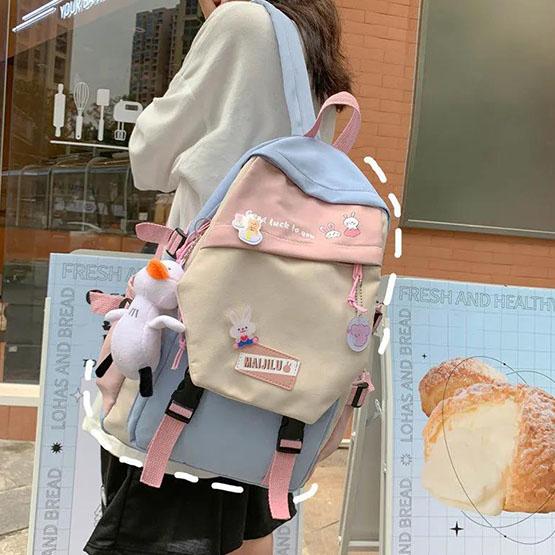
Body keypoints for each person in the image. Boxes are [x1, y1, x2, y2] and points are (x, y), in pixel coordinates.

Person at [84, 1, 352, 554]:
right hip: (266, 353)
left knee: (154, 524)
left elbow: (149, 157)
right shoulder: (308, 39)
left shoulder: (239, 23)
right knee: (242, 530)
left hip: (191, 340)